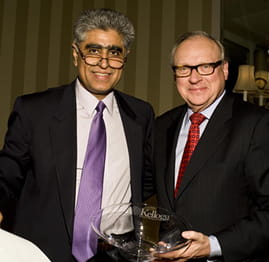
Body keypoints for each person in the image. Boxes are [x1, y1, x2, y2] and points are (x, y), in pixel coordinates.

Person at [0, 8, 154, 262]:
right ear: (75, 54)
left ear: (125, 58)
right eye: (93, 51)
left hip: (116, 255)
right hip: (42, 252)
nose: (104, 63)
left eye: (114, 52)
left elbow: (145, 178)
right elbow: (8, 171)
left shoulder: (141, 115)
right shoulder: (34, 110)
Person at [153, 31, 269, 262]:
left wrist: (213, 245)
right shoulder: (161, 126)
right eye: (184, 68)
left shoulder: (257, 124)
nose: (194, 78)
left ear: (225, 70)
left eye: (205, 67)